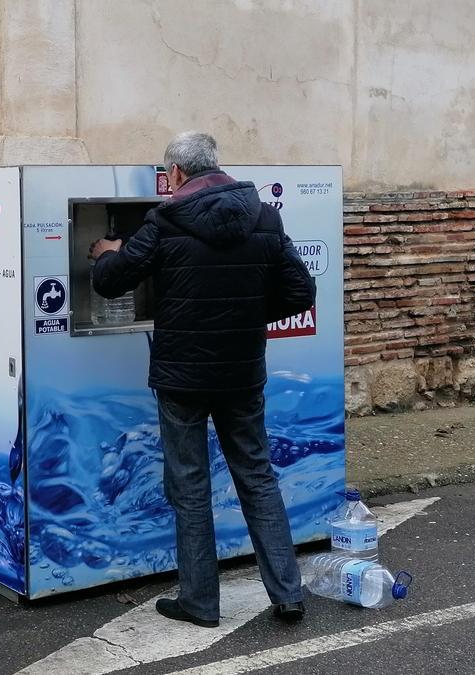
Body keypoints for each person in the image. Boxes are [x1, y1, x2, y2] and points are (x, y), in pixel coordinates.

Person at [91, 132, 316, 628]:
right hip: (242, 372)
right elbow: (301, 291)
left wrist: (108, 251)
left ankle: (199, 601)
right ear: (216, 166)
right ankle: (288, 593)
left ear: (174, 174)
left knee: (189, 485)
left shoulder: (165, 221)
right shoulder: (263, 216)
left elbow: (110, 282)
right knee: (257, 476)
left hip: (183, 377)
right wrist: (250, 315)